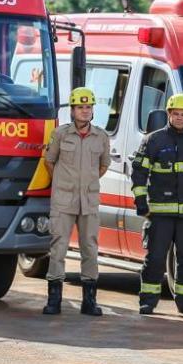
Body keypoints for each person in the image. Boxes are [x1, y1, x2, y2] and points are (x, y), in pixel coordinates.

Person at [132, 94, 183, 315]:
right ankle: (148, 301)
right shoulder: (153, 140)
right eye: (176, 114)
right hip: (159, 213)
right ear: (168, 114)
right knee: (155, 258)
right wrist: (141, 203)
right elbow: (139, 173)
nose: (179, 118)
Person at [42, 87, 111, 316]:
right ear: (72, 110)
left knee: (90, 248)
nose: (85, 111)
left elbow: (103, 166)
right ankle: (54, 300)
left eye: (88, 107)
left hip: (88, 201)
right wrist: (63, 183)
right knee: (58, 247)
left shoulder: (101, 137)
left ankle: (89, 301)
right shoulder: (60, 134)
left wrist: (86, 184)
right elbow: (49, 162)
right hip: (63, 201)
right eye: (80, 107)